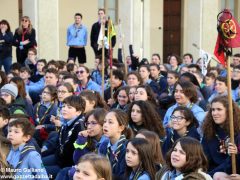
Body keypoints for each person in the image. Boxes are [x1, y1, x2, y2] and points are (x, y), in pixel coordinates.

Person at [43, 95, 86, 178]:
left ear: (78, 112)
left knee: (37, 171)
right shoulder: (66, 122)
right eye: (63, 106)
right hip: (58, 158)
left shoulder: (80, 127)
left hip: (66, 166)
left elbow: (75, 156)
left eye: (69, 107)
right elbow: (58, 145)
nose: (64, 109)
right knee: (35, 163)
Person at [201, 96, 240, 176]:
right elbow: (203, 158)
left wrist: (236, 154)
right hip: (210, 173)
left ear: (229, 111)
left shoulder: (237, 133)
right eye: (213, 110)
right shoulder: (209, 132)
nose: (214, 113)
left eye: (219, 109)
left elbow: (234, 164)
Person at [98, 109, 133, 178]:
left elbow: (123, 176)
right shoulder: (104, 145)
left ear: (121, 128)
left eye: (110, 122)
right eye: (105, 121)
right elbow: (99, 168)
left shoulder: (126, 148)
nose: (105, 125)